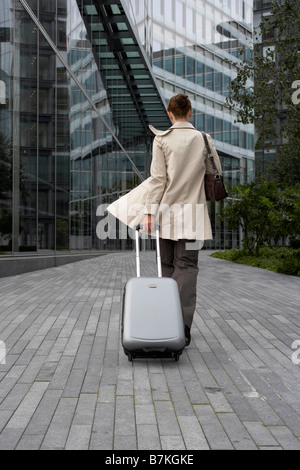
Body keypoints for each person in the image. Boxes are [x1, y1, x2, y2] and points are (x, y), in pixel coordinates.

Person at [141, 93, 223, 346]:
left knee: (166, 266)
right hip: (193, 215)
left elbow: (158, 180)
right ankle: (183, 326)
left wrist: (148, 212)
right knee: (186, 267)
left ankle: (167, 320)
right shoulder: (203, 139)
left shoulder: (161, 140)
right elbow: (215, 172)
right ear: (190, 113)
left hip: (166, 214)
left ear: (170, 114)